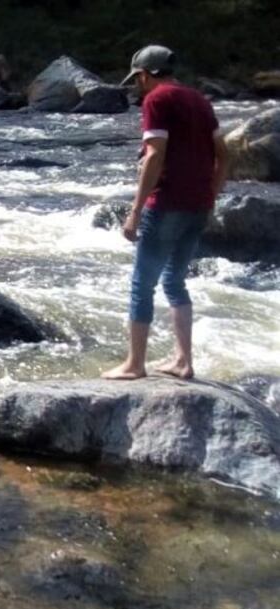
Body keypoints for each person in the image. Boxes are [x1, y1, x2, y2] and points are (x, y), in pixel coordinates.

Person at [102, 45, 228, 380]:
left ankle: (134, 365)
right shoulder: (200, 101)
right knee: (175, 281)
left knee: (142, 285)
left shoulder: (157, 100)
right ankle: (184, 361)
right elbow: (225, 155)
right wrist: (210, 195)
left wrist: (134, 212)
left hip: (167, 204)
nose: (138, 86)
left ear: (145, 74)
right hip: (198, 205)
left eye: (138, 79)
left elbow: (155, 156)